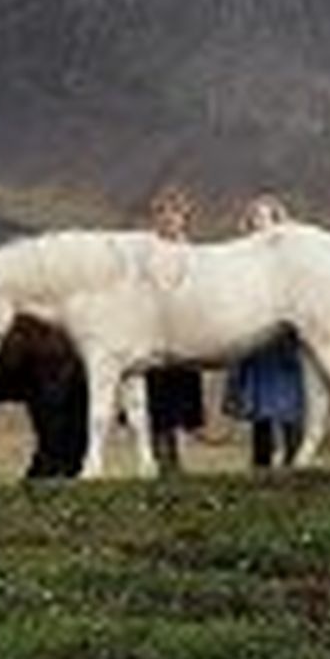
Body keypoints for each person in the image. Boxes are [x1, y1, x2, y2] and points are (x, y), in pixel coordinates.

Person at [222, 195, 306, 470]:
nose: (260, 224)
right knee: (260, 410)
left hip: (283, 343)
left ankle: (294, 462)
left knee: (290, 407)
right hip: (256, 344)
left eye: (265, 217)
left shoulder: (294, 259)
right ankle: (261, 466)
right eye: (255, 218)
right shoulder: (239, 258)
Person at [145, 184, 207, 476]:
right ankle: (160, 461)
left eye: (175, 213)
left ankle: (178, 461)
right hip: (152, 338)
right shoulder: (145, 253)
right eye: (163, 213)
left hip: (185, 337)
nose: (169, 219)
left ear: (185, 218)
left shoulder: (194, 254)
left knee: (180, 402)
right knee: (155, 403)